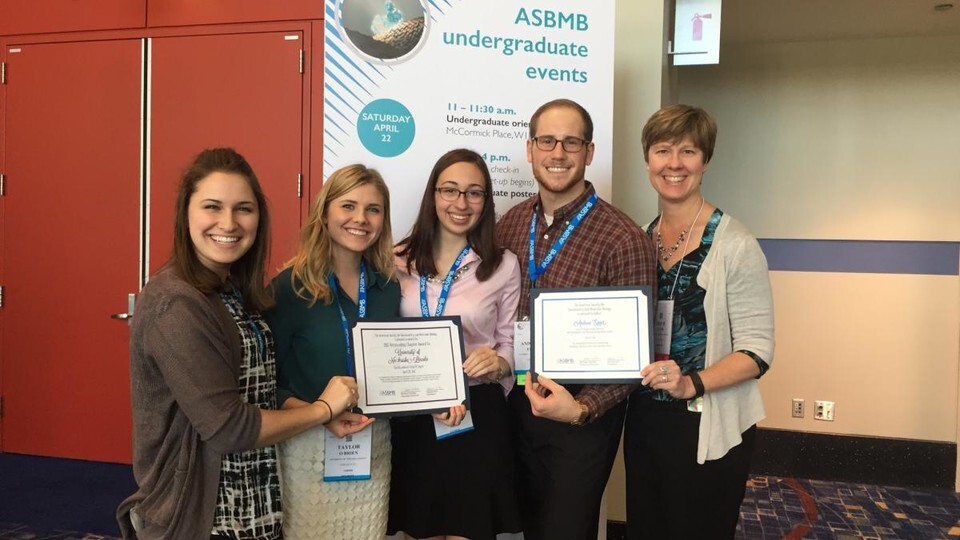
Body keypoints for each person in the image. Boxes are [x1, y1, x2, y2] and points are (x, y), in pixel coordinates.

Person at [117, 148, 361, 540]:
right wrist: (321, 409)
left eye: (243, 209)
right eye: (212, 206)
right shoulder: (175, 303)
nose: (228, 223)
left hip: (253, 504)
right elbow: (229, 428)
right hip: (196, 515)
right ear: (186, 214)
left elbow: (256, 396)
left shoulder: (229, 289)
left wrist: (320, 413)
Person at [495, 99, 657, 540]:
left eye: (572, 142)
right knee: (525, 526)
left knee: (564, 531)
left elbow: (635, 357)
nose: (558, 152)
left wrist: (582, 409)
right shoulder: (510, 224)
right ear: (530, 149)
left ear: (589, 152)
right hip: (517, 406)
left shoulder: (624, 239)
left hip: (579, 418)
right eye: (547, 140)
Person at [624, 104, 775, 539]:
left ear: (704, 161)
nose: (674, 164)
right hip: (646, 421)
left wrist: (691, 383)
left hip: (707, 418)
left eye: (687, 152)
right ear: (648, 160)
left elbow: (757, 351)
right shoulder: (639, 238)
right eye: (662, 150)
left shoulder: (735, 244)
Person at [387, 148, 523, 540]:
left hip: (477, 413)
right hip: (416, 413)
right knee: (422, 527)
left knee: (471, 528)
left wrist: (499, 363)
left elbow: (509, 341)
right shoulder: (396, 260)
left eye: (474, 192)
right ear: (433, 195)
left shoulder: (502, 264)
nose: (461, 203)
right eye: (450, 190)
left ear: (486, 200)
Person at [266, 164, 399, 540]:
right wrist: (317, 414)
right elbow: (268, 383)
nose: (360, 219)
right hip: (308, 447)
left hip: (373, 445)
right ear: (325, 213)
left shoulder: (387, 288)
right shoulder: (289, 288)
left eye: (373, 209)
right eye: (348, 206)